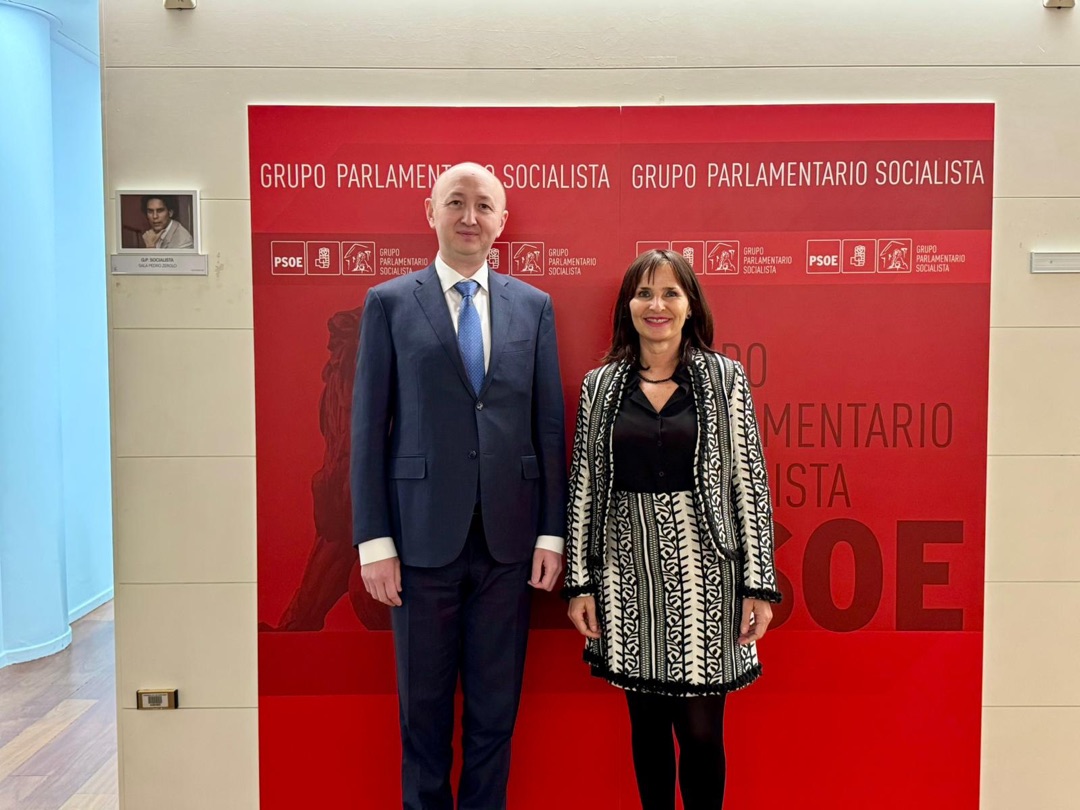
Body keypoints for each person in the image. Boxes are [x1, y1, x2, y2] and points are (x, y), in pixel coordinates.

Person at [351, 162, 568, 810]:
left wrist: (551, 533)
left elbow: (548, 427)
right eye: (455, 202)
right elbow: (367, 428)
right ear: (431, 211)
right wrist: (373, 543)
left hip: (509, 545)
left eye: (483, 205)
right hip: (418, 545)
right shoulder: (390, 303)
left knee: (494, 717)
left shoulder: (534, 306)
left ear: (502, 221)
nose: (469, 216)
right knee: (422, 719)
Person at [563, 249, 782, 810]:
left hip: (708, 574)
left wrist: (758, 585)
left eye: (669, 293)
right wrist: (581, 584)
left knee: (702, 733)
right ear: (627, 306)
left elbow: (749, 483)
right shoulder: (600, 387)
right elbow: (584, 486)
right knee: (648, 729)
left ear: (690, 307)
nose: (655, 305)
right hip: (626, 575)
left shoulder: (724, 379)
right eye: (644, 294)